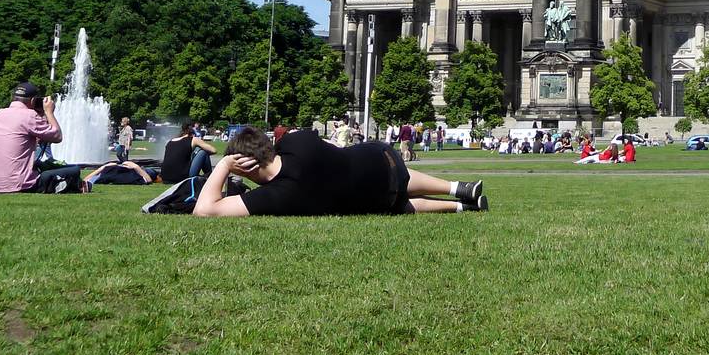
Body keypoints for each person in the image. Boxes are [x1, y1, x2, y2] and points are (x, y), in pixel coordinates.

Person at [187, 126, 486, 217]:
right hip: (380, 156)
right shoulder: (297, 140)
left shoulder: (276, 197)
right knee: (387, 176)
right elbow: (323, 142)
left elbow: (204, 210)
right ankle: (457, 188)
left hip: (381, 199)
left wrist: (224, 165)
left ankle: (459, 206)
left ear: (246, 163)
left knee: (388, 197)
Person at [0, 83, 84, 194]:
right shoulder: (29, 115)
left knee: (40, 165)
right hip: (19, 184)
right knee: (74, 169)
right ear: (33, 101)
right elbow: (57, 136)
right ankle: (73, 186)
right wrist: (48, 112)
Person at [84, 159, 160, 188]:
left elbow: (149, 180)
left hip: (138, 172)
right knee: (151, 172)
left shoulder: (102, 176)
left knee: (151, 172)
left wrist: (136, 167)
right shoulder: (102, 177)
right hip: (136, 172)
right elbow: (148, 180)